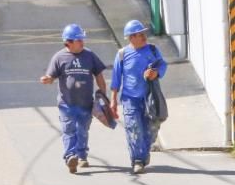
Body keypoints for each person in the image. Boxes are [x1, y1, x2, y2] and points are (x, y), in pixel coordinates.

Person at [40, 23, 108, 174]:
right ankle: (70, 156)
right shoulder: (59, 57)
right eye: (79, 40)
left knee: (82, 130)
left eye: (82, 39)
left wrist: (103, 95)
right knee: (69, 130)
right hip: (66, 103)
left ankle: (82, 155)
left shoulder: (89, 55)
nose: (82, 42)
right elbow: (52, 75)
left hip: (86, 103)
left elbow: (99, 76)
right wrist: (48, 79)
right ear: (68, 43)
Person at [110, 20, 167, 174]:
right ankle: (137, 160)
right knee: (134, 128)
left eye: (144, 33)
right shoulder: (122, 54)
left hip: (150, 98)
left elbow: (163, 65)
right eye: (140, 34)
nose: (144, 37)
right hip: (130, 99)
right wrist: (113, 100)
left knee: (152, 128)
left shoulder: (153, 50)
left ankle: (144, 152)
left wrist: (156, 73)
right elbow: (116, 78)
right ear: (131, 38)